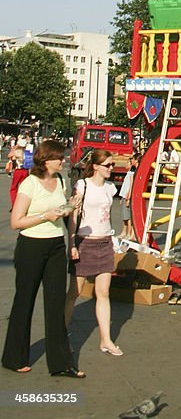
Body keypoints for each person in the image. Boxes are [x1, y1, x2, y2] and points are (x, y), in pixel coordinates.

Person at [2, 139, 84, 378]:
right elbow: (17, 221)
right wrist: (44, 216)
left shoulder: (59, 181)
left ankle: (60, 363)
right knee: (24, 300)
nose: (63, 160)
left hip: (56, 245)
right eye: (58, 157)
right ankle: (14, 357)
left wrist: (70, 210)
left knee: (56, 303)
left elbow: (63, 215)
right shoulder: (30, 183)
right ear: (45, 160)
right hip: (31, 246)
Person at [65, 149, 122, 357]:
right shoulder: (82, 185)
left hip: (105, 242)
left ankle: (106, 339)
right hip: (85, 242)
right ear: (96, 166)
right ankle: (62, 334)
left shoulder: (110, 188)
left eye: (113, 164)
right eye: (108, 165)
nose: (112, 169)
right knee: (75, 292)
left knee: (104, 292)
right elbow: (73, 216)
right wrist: (72, 244)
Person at [118, 155, 138, 241]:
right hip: (124, 195)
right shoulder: (129, 173)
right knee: (124, 217)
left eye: (129, 162)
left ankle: (130, 233)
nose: (126, 164)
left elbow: (130, 186)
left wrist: (128, 197)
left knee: (128, 217)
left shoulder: (132, 174)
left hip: (126, 196)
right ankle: (125, 232)